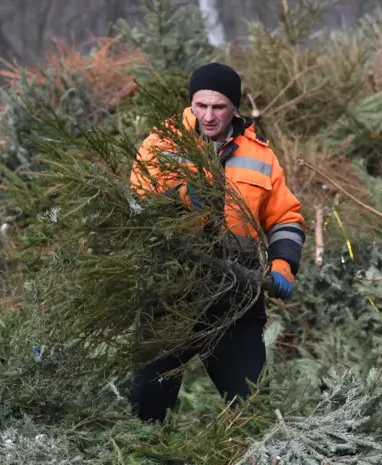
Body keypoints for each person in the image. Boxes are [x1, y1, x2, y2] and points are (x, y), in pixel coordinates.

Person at [127, 62, 306, 423]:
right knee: (147, 408)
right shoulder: (160, 144)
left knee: (252, 410)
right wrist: (178, 197)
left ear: (234, 108)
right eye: (201, 105)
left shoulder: (260, 155)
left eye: (219, 107)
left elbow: (286, 217)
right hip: (171, 295)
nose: (208, 116)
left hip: (235, 299)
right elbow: (136, 203)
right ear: (191, 103)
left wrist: (284, 262)